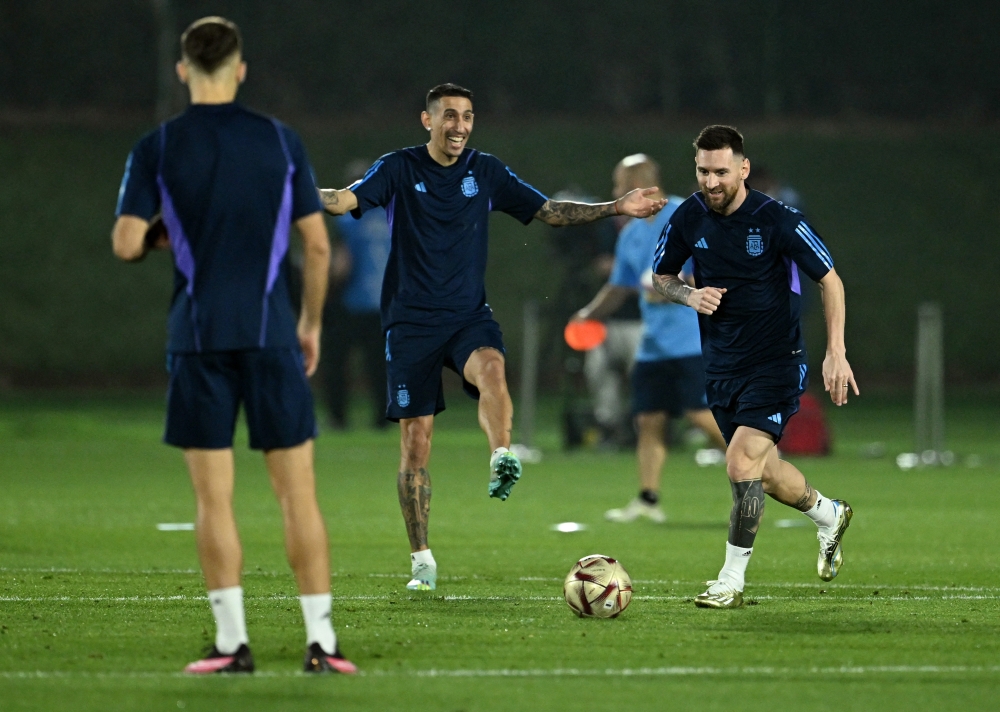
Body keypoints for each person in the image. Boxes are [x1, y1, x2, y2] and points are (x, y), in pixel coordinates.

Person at [319, 83, 666, 591]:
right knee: (415, 443)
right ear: (427, 120)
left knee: (493, 367)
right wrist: (298, 195)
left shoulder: (485, 171)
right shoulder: (399, 168)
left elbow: (549, 211)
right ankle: (422, 560)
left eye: (467, 116)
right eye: (449, 116)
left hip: (466, 314)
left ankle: (502, 454)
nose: (459, 125)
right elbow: (346, 199)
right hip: (410, 323)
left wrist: (616, 206)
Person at [111, 17, 356, 674]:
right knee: (297, 495)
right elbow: (317, 245)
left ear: (183, 71)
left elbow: (126, 243)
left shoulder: (158, 146)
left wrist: (160, 231)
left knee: (213, 499)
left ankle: (231, 645)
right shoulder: (279, 140)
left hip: (197, 340)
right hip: (271, 335)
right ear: (240, 69)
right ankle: (322, 644)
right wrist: (310, 325)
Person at [652, 125, 859, 609]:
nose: (711, 181)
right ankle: (829, 514)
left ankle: (731, 581)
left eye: (721, 171)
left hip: (776, 363)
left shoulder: (777, 219)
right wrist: (689, 295)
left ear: (743, 169)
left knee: (740, 461)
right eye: (703, 171)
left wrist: (836, 350)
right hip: (722, 366)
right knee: (764, 473)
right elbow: (661, 276)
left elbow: (830, 280)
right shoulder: (687, 216)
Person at [572, 154, 728, 523]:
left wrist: (677, 287)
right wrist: (588, 314)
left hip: (692, 338)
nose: (615, 191)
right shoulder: (630, 233)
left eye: (619, 184)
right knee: (648, 419)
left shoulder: (687, 214)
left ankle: (761, 467)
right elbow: (620, 286)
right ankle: (648, 499)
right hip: (653, 344)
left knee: (701, 415)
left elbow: (716, 266)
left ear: (638, 184)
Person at [322, 159, 392, 430]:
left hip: (350, 302)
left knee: (337, 362)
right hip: (383, 303)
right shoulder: (390, 218)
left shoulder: (348, 220)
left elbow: (342, 264)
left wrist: (326, 289)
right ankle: (383, 419)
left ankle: (338, 417)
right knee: (379, 366)